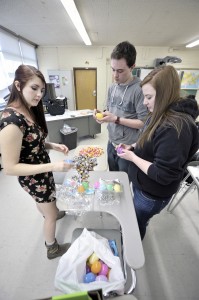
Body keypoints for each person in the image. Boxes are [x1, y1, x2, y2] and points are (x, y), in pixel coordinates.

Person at [117, 65, 199, 240]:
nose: (145, 102)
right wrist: (133, 146)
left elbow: (163, 173)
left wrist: (132, 157)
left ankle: (131, 247)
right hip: (142, 184)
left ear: (164, 94)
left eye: (148, 97)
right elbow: (151, 140)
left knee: (137, 222)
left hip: (151, 194)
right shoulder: (159, 113)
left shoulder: (175, 127)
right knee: (135, 217)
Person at [0, 65, 73, 259]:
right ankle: (52, 247)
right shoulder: (11, 121)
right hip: (33, 178)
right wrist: (53, 166)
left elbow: (32, 142)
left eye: (41, 90)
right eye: (34, 88)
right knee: (50, 213)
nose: (39, 94)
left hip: (41, 171)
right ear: (18, 85)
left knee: (45, 203)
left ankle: (49, 210)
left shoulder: (27, 110)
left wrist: (52, 146)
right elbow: (9, 168)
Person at [93, 41, 148, 173]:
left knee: (123, 181)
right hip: (111, 142)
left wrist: (115, 119)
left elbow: (143, 123)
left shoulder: (140, 89)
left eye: (120, 71)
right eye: (113, 70)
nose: (115, 75)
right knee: (113, 176)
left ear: (132, 67)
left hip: (127, 146)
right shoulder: (112, 87)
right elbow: (110, 111)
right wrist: (103, 115)